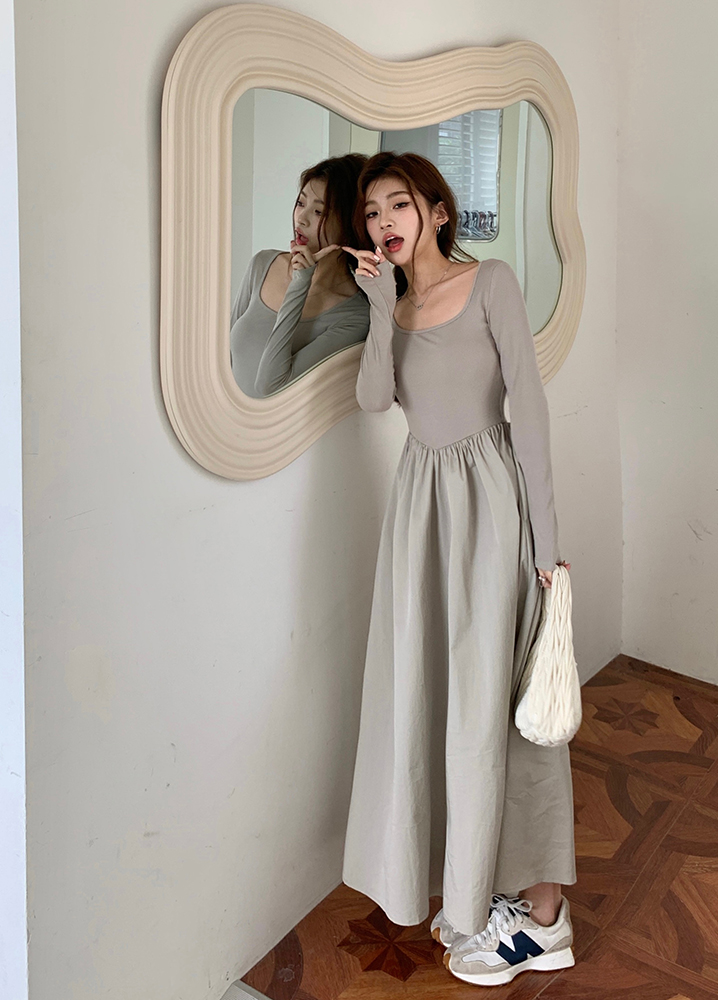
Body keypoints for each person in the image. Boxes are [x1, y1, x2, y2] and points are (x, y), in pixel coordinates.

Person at [340, 151, 578, 987]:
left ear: (438, 211)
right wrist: (379, 308)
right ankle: (478, 889)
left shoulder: (492, 283)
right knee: (441, 705)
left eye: (398, 205)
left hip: (490, 506)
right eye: (372, 213)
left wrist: (545, 548)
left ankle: (545, 917)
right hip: (422, 517)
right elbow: (375, 401)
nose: (384, 223)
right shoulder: (394, 309)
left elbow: (529, 411)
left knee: (502, 712)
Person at [229, 153, 371, 397]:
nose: (301, 219)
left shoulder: (356, 316)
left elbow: (271, 385)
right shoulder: (263, 264)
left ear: (349, 226)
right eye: (301, 203)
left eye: (319, 212)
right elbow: (224, 359)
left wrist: (300, 283)